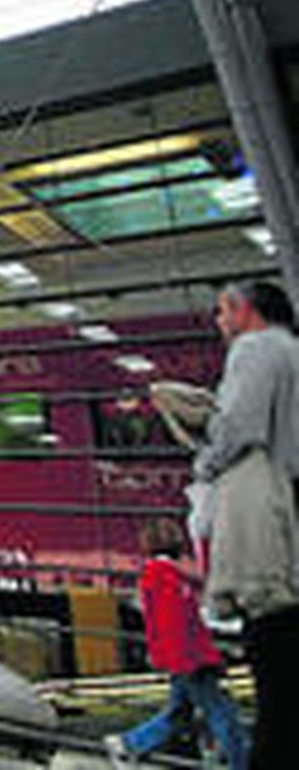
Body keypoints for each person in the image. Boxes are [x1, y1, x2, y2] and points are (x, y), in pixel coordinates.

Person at [195, 280, 299, 767]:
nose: (219, 323)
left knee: (274, 667)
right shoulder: (294, 353)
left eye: (222, 311)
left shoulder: (256, 349)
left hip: (271, 528)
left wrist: (205, 463)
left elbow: (238, 425)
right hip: (292, 514)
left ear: (244, 311)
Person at [105, 518, 248, 769]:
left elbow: (169, 623)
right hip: (191, 659)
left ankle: (130, 744)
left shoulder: (159, 574)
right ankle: (241, 762)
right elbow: (183, 621)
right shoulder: (169, 576)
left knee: (180, 713)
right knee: (222, 714)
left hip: (183, 658)